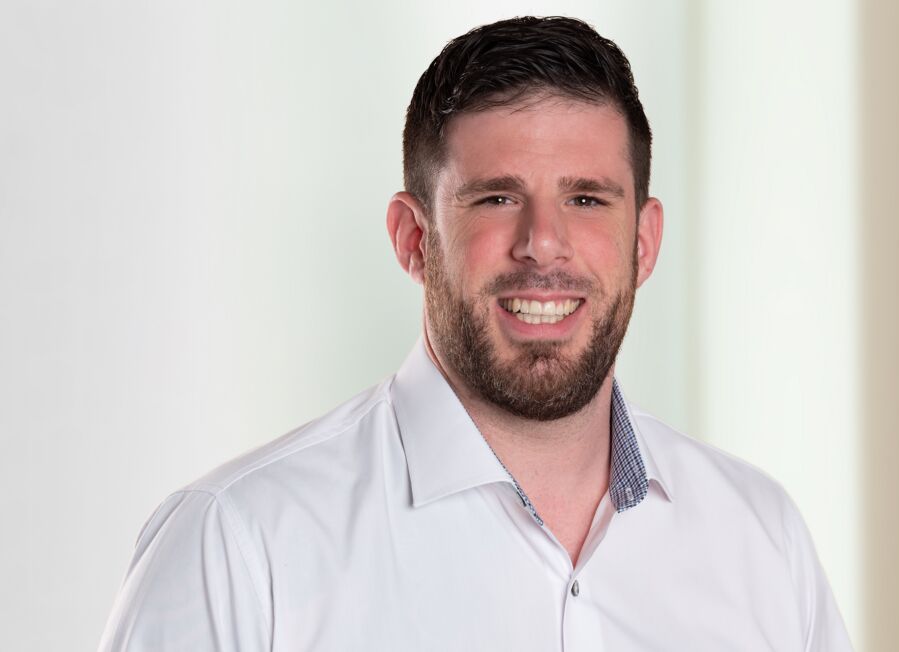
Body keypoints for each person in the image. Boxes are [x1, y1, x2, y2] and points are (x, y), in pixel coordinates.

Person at [100, 16, 853, 651]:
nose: (544, 244)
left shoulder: (762, 539)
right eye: (496, 198)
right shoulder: (238, 546)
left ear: (644, 242)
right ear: (413, 239)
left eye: (587, 199)